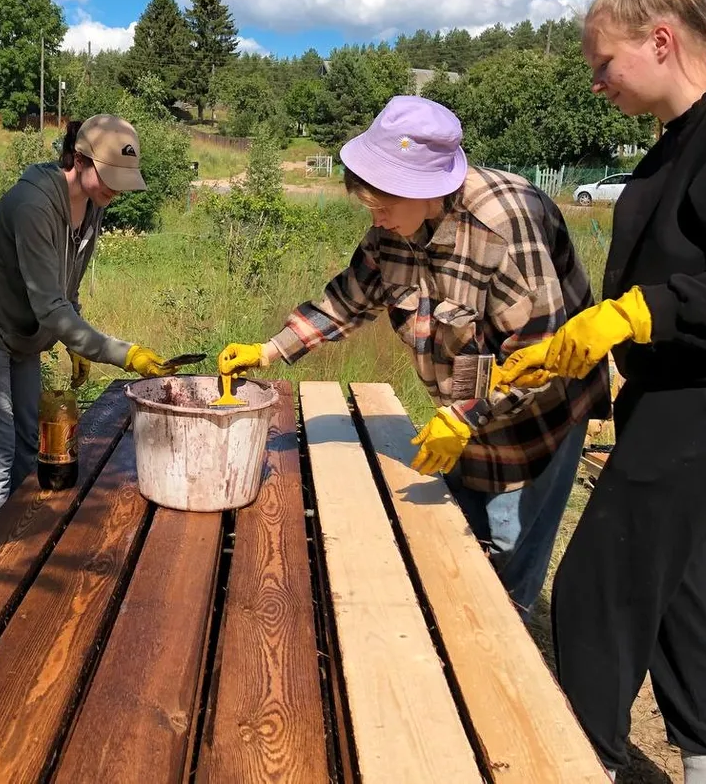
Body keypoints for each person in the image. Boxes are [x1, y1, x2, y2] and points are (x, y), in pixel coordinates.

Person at [499, 0, 706, 783]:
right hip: (673, 393)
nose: (597, 82)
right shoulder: (674, 139)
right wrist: (577, 359)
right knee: (675, 588)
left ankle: (582, 763)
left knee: (594, 588)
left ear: (661, 41)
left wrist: (634, 313)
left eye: (604, 63)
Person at [218, 95, 609, 619]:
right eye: (370, 207)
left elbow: (541, 354)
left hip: (539, 420)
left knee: (506, 549)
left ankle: (505, 651)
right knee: (457, 536)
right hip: (463, 410)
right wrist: (269, 349)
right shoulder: (391, 228)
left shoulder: (503, 225)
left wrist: (466, 418)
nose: (375, 219)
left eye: (383, 206)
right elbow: (349, 297)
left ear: (429, 191)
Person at [0, 115, 176, 534]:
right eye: (109, 176)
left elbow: (65, 287)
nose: (116, 188)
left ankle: (19, 537)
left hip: (26, 333)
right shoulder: (33, 205)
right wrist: (124, 354)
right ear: (77, 158)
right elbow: (51, 308)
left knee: (30, 442)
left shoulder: (93, 203)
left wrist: (74, 338)